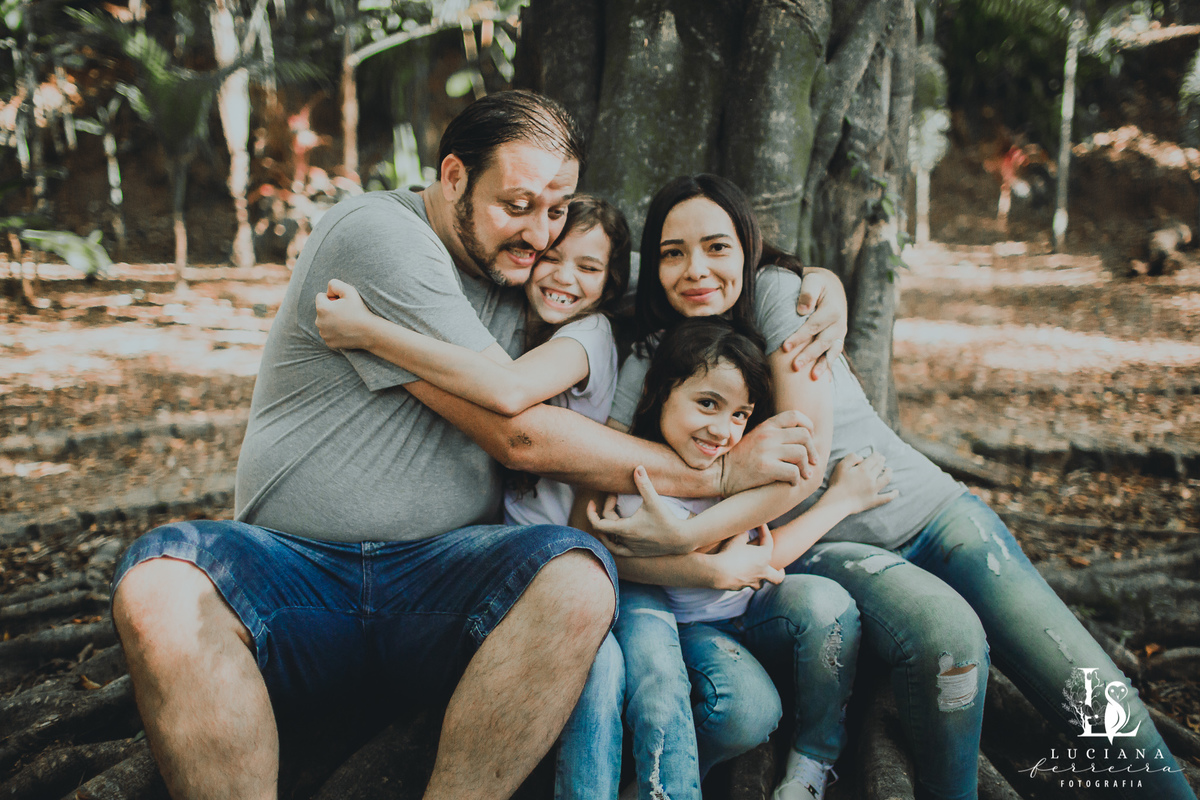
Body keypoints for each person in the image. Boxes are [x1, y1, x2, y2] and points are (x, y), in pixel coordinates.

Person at [107, 92, 850, 800]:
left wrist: (819, 283)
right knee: (162, 587)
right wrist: (719, 474)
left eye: (556, 209)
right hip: (298, 573)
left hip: (446, 583)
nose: (539, 234)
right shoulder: (380, 235)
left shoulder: (538, 273)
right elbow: (519, 431)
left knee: (577, 578)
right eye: (516, 206)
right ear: (453, 176)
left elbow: (641, 301)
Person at [593, 174, 1199, 800]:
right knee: (947, 639)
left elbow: (805, 462)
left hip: (932, 510)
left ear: (748, 248)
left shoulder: (778, 295)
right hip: (829, 541)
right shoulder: (654, 351)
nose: (696, 268)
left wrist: (687, 534)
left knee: (1085, 681)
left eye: (718, 247)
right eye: (673, 252)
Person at [609, 316, 898, 800]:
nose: (723, 430)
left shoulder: (739, 465)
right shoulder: (642, 486)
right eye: (707, 404)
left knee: (828, 605)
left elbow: (760, 560)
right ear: (657, 395)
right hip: (692, 630)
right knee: (746, 711)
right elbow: (764, 557)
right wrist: (840, 501)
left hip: (756, 611)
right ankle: (659, 780)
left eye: (740, 414)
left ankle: (814, 759)